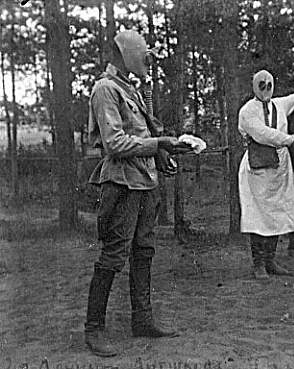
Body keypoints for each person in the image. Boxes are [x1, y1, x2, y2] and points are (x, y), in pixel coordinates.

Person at [85, 30, 192, 357]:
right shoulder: (105, 89)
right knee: (115, 255)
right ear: (126, 55)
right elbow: (115, 144)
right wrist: (159, 144)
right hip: (122, 184)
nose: (148, 63)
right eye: (143, 57)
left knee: (144, 251)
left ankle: (142, 319)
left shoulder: (130, 89)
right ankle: (94, 329)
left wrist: (163, 153)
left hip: (145, 182)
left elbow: (142, 134)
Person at [238, 70, 294, 280]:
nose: (266, 90)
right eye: (261, 86)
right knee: (258, 214)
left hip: (280, 168)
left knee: (276, 212)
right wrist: (290, 139)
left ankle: (270, 260)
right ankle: (258, 264)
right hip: (257, 169)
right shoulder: (247, 111)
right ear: (255, 87)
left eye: (269, 85)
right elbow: (263, 134)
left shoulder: (280, 104)